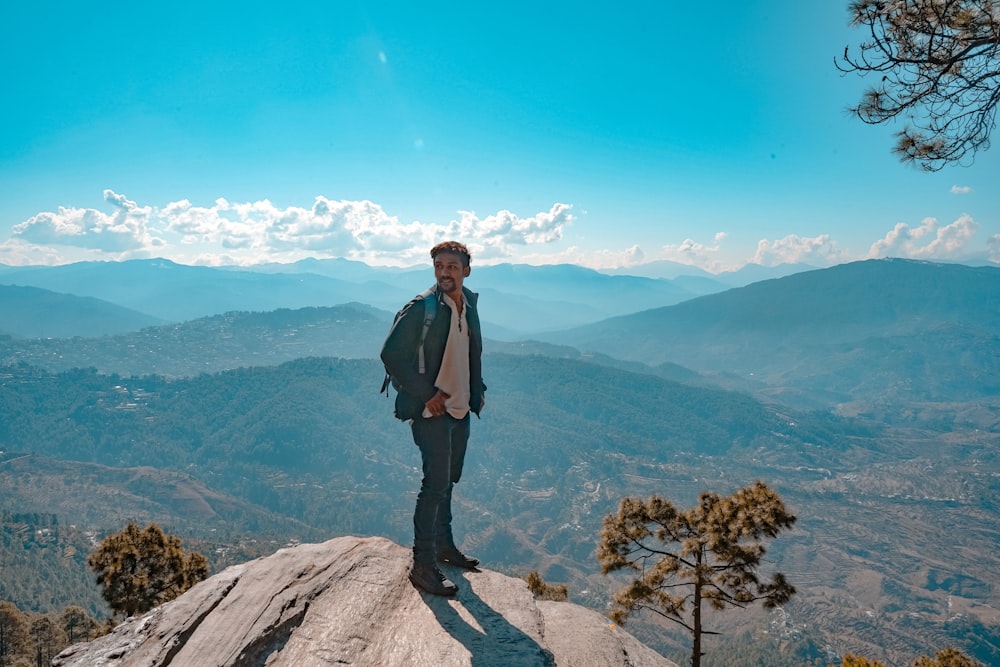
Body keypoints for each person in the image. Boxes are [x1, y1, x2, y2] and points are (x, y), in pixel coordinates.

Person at [380, 241, 486, 596]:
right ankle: (422, 565)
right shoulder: (421, 309)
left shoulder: (468, 304)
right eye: (439, 265)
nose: (444, 272)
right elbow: (390, 354)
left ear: (466, 270)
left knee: (448, 482)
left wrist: (476, 391)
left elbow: (471, 351)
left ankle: (444, 547)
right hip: (432, 412)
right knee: (434, 486)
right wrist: (427, 394)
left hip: (460, 408)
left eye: (452, 266)